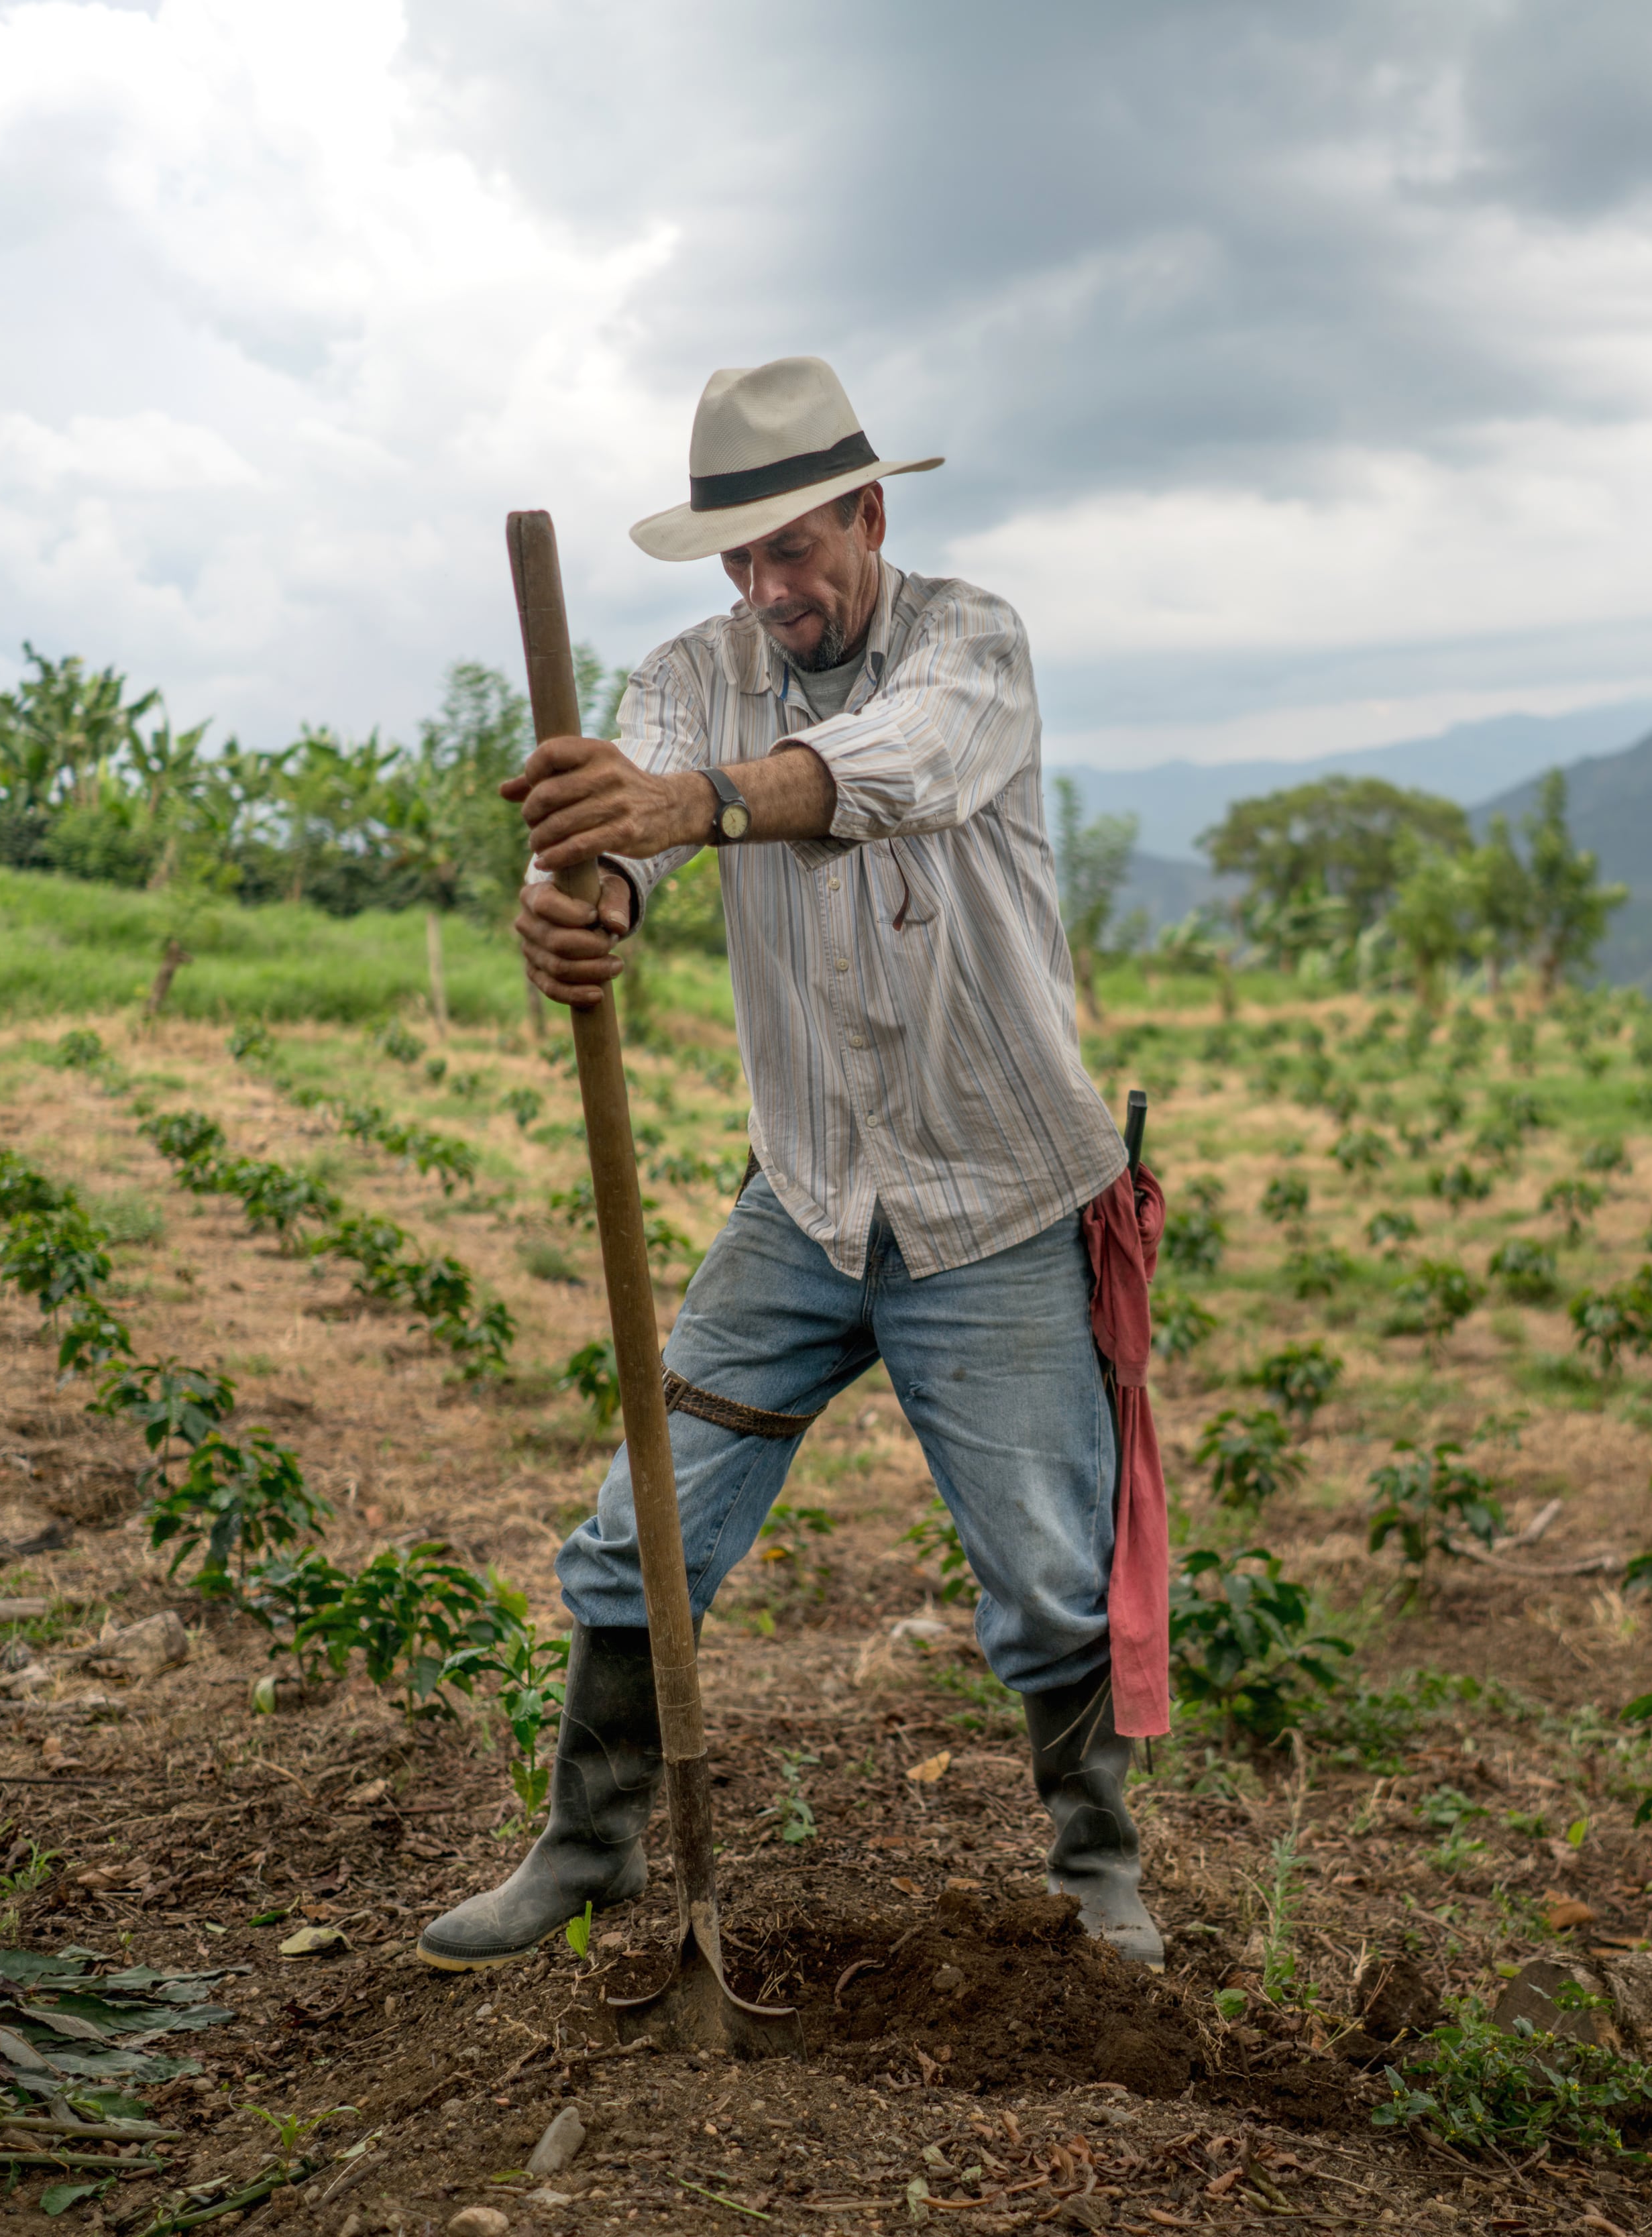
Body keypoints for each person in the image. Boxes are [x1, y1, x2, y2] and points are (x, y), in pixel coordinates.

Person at [416, 357, 1164, 1973]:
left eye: (795, 552)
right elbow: (621, 840)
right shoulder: (690, 674)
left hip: (1002, 1198)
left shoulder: (972, 645)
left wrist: (689, 807)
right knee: (645, 1521)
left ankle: (1094, 1868)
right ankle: (589, 1843)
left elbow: (895, 772)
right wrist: (586, 909)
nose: (770, 590)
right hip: (810, 1198)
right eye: (741, 562)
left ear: (869, 517)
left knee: (1045, 1566)